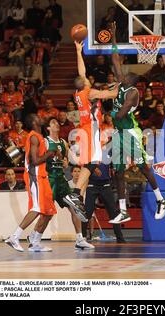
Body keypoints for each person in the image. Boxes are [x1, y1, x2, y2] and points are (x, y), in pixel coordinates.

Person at [96, 22, 165, 225]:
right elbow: (115, 61)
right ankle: (122, 210)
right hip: (119, 133)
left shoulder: (133, 93)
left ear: (131, 80)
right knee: (118, 172)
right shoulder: (121, 85)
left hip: (130, 131)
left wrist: (108, 105)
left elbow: (119, 115)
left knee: (143, 167)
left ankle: (161, 200)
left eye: (126, 76)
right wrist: (113, 39)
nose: (123, 75)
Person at [62, 40, 119, 216]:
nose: (88, 78)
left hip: (84, 129)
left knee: (90, 163)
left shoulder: (79, 93)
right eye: (87, 79)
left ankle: (78, 193)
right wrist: (121, 83)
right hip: (91, 130)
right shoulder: (91, 93)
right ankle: (75, 193)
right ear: (86, 83)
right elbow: (113, 94)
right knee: (93, 162)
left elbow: (81, 72)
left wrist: (79, 51)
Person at [5, 114, 57, 252]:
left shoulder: (40, 137)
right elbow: (35, 161)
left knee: (49, 211)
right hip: (35, 176)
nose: (41, 117)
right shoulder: (33, 136)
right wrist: (49, 154)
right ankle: (14, 237)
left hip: (43, 176)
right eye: (38, 117)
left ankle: (35, 242)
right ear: (34, 122)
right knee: (37, 208)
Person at [45, 118, 93, 249]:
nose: (56, 124)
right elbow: (40, 161)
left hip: (61, 180)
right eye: (53, 123)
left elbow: (70, 160)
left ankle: (79, 239)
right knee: (45, 212)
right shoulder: (45, 141)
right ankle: (35, 237)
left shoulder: (63, 142)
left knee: (74, 207)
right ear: (48, 128)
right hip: (49, 180)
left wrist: (70, 161)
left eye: (56, 122)